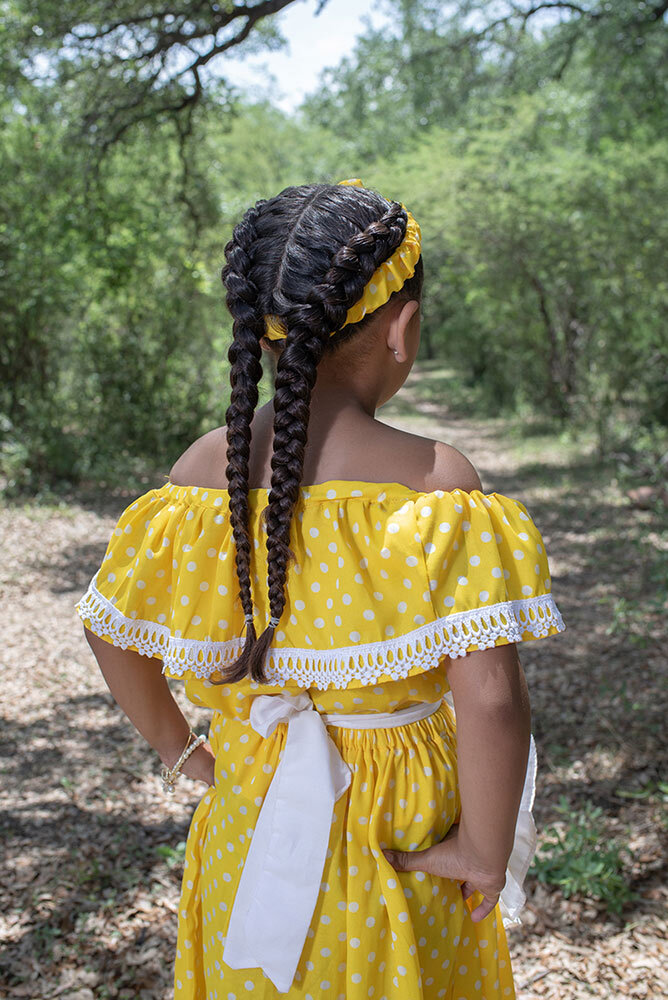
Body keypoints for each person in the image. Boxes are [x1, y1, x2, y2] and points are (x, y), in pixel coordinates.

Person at [76, 178, 566, 1000]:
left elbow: (108, 629)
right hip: (400, 835)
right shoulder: (434, 484)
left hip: (249, 816)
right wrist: (483, 852)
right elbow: (487, 696)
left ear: (262, 336)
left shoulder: (202, 478)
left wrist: (178, 748)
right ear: (403, 329)